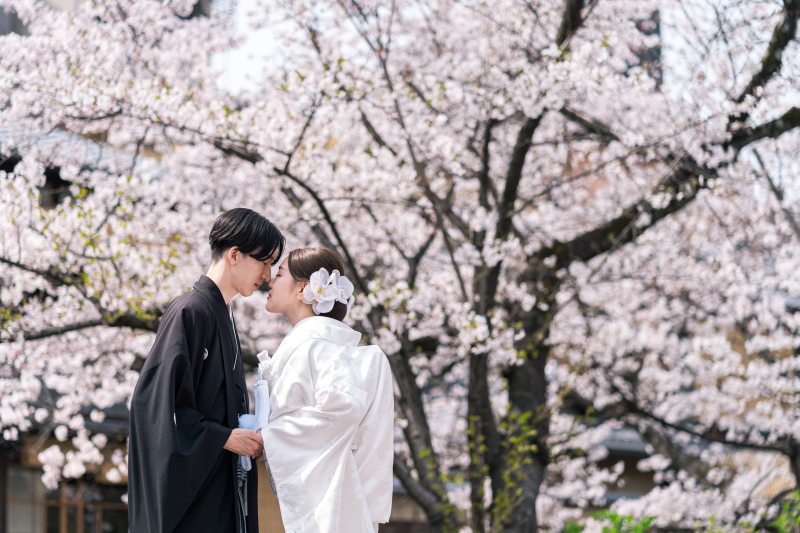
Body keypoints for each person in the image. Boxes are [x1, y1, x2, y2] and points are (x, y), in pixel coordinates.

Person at [128, 208, 285, 533]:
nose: (268, 275)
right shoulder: (191, 310)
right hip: (193, 502)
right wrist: (223, 437)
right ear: (234, 255)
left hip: (219, 486)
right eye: (264, 262)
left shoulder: (222, 315)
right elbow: (154, 407)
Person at [254, 247, 394, 533]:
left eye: (279, 274)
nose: (269, 280)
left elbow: (337, 415)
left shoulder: (320, 347)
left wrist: (266, 434)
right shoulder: (317, 345)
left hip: (330, 503)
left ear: (304, 289)